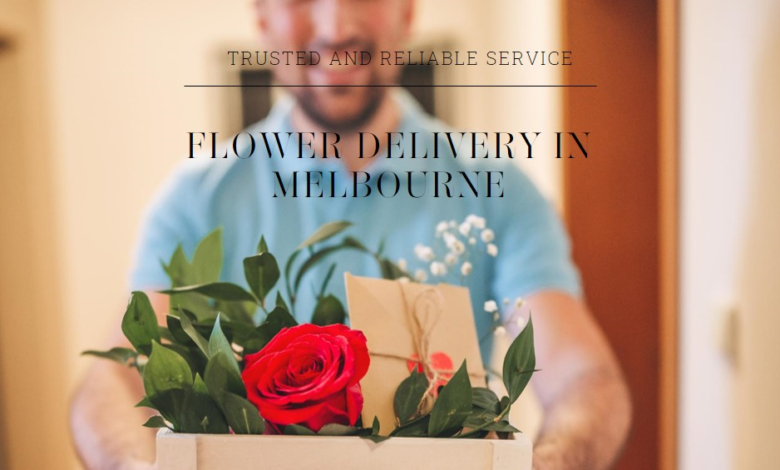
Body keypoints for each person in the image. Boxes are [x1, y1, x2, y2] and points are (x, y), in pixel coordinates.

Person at [70, 0, 631, 468]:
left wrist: (547, 464)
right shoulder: (197, 200)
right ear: (262, 20)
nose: (335, 27)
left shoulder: (499, 190)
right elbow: (114, 380)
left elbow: (584, 378)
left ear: (407, 13)